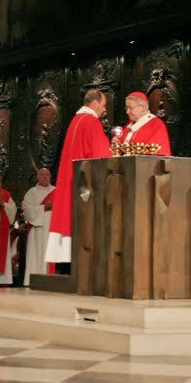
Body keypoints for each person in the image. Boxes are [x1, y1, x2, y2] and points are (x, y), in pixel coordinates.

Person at [46, 89, 112, 268]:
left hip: (71, 179)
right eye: (103, 105)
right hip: (85, 183)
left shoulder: (75, 121)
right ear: (95, 103)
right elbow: (101, 154)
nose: (104, 110)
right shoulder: (90, 121)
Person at [22, 168, 55, 286]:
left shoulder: (56, 191)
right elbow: (26, 210)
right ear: (37, 177)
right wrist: (43, 207)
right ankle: (35, 281)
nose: (45, 177)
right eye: (42, 175)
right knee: (36, 255)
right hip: (38, 230)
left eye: (47, 174)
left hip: (53, 229)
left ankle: (52, 281)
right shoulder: (31, 192)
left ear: (51, 176)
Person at [117, 91, 171, 156]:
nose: (127, 112)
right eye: (126, 108)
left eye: (130, 108)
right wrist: (117, 144)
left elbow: (158, 153)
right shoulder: (128, 125)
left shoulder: (156, 124)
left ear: (142, 107)